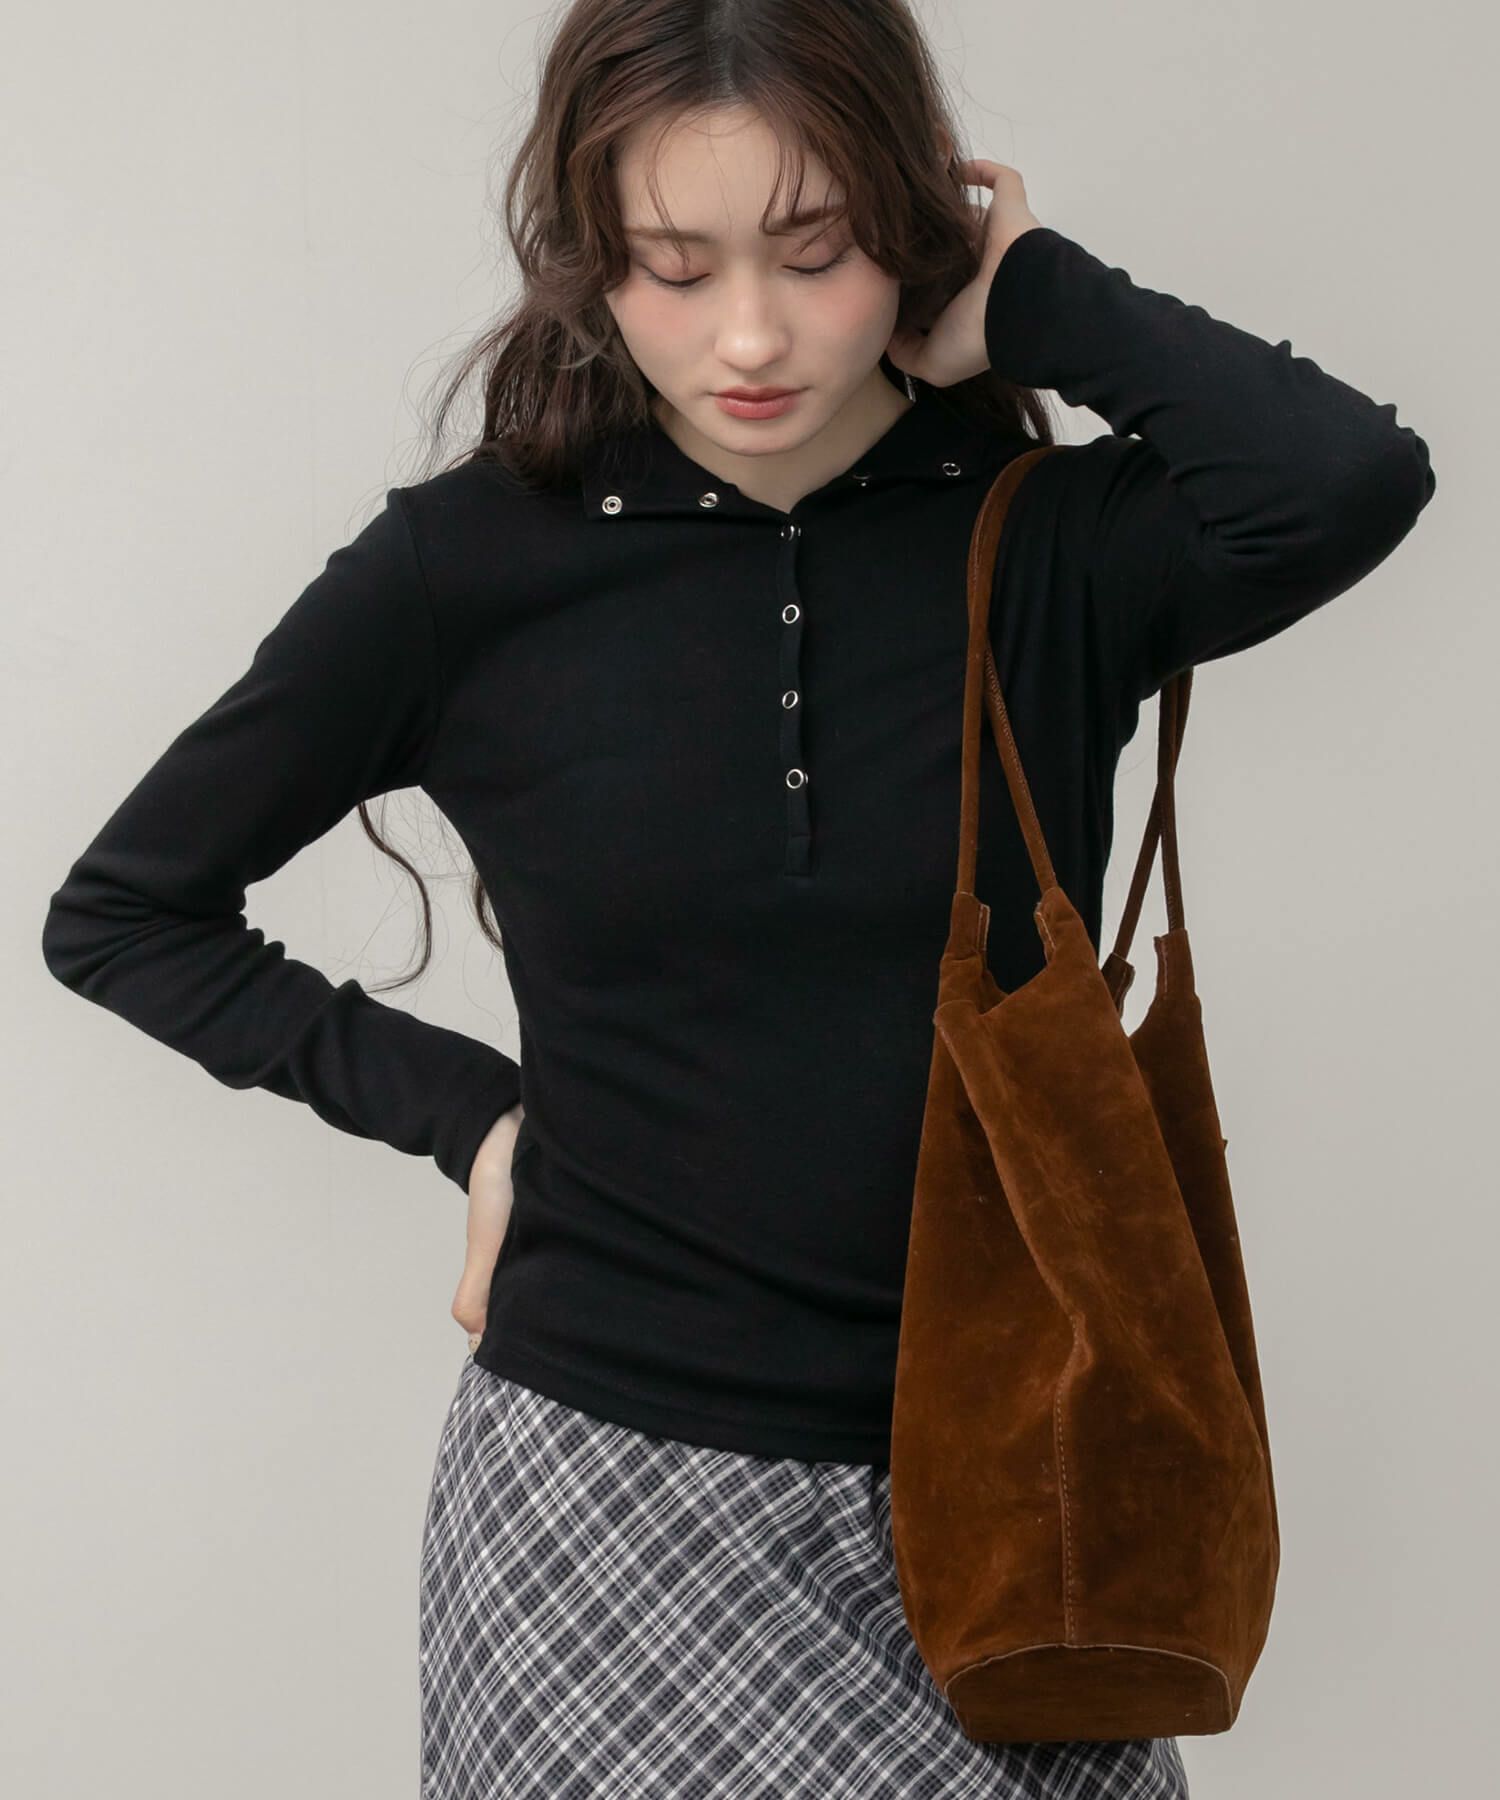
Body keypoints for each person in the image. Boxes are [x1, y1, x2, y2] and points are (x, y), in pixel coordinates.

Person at [39, 0, 1435, 1793]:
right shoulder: (469, 568)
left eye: (819, 250)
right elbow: (125, 913)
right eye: (674, 268)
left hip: (1022, 1495)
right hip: (600, 1508)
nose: (752, 335)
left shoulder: (1049, 541)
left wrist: (1039, 294)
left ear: (912, 233)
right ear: (589, 260)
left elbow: (1345, 478)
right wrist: (474, 1121)